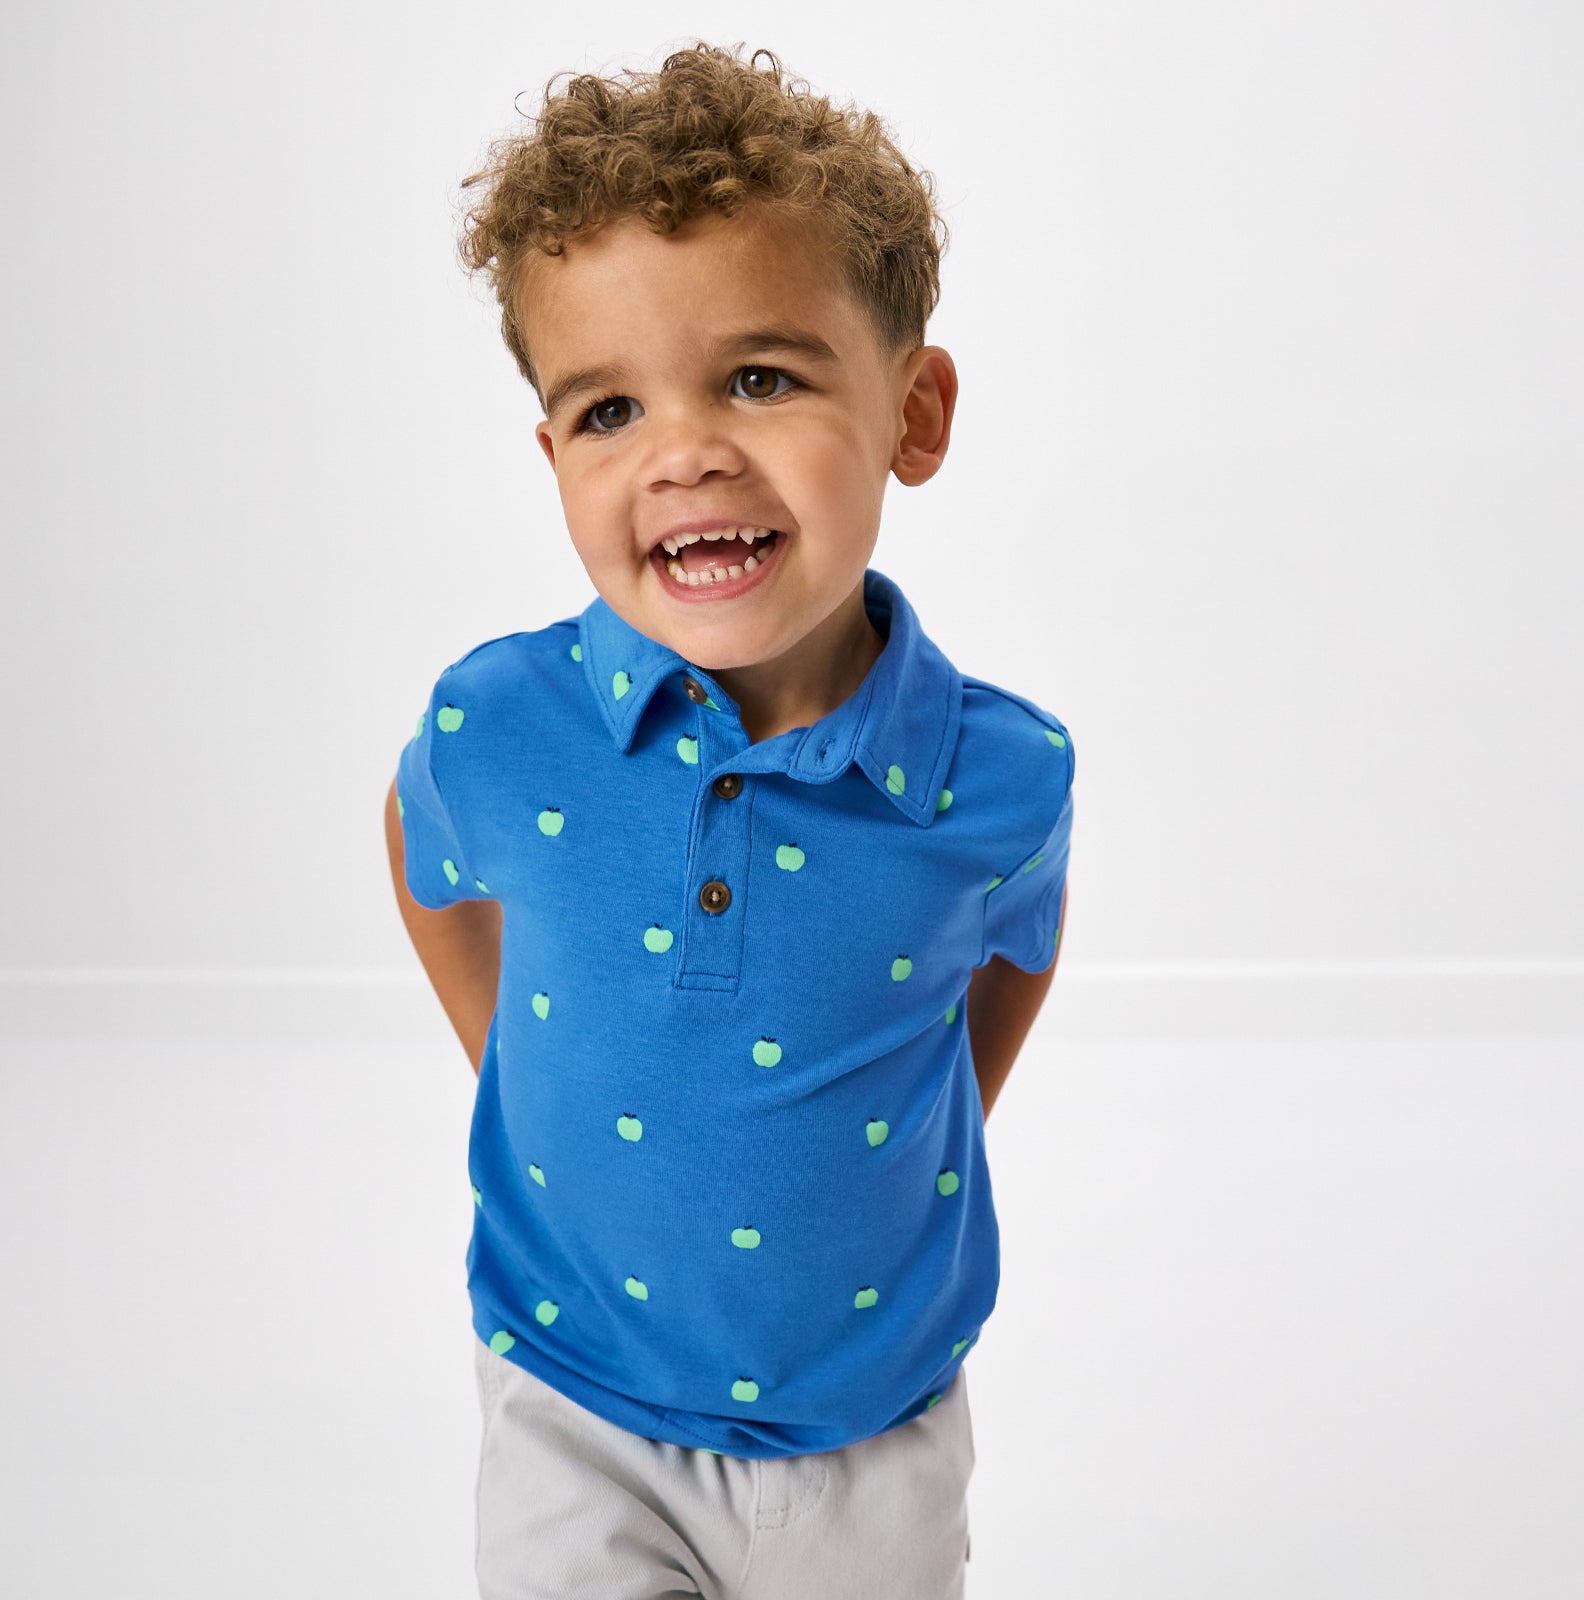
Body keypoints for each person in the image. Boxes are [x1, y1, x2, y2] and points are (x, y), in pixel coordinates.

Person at [384, 41, 1074, 1600]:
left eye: (760, 378)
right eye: (610, 407)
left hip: (874, 1421)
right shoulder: (498, 724)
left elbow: (1017, 944)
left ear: (914, 411)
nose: (684, 450)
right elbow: (424, 853)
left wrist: (921, 1120)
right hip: (574, 1395)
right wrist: (511, 1059)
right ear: (554, 456)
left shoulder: (999, 774)